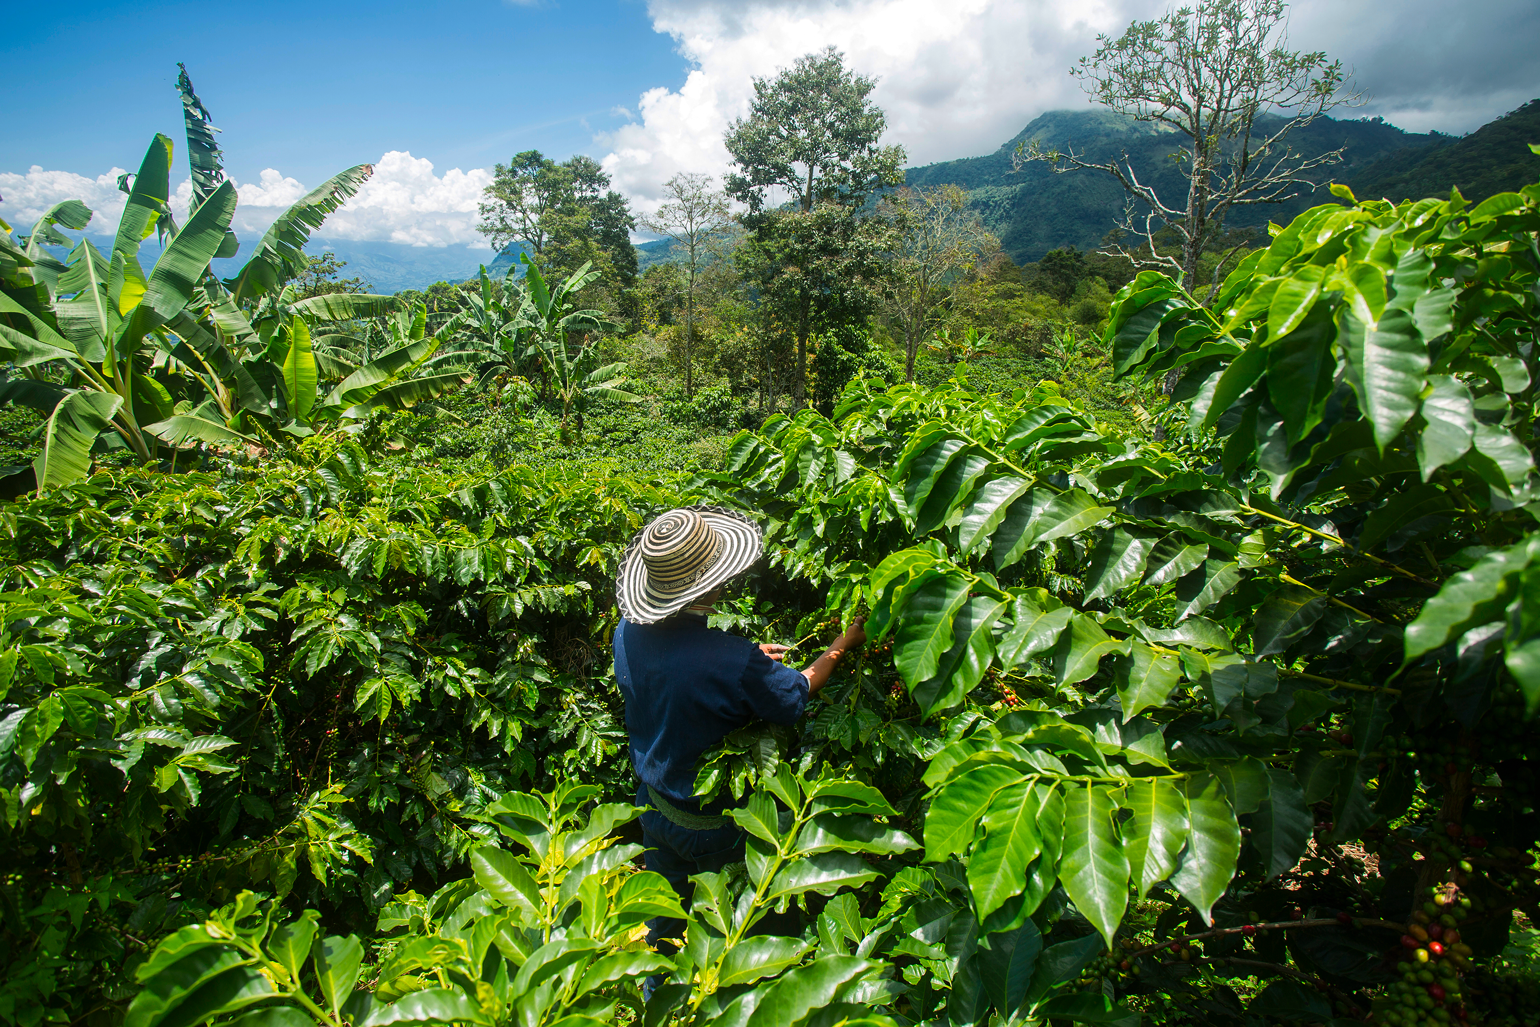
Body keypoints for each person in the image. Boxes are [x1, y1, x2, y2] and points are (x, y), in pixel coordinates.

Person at [611, 505, 866, 978]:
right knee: (739, 934)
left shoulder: (626, 631)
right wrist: (841, 645)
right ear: (711, 583)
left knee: (662, 926)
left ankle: (656, 996)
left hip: (653, 808)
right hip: (712, 827)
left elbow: (677, 680)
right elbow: (796, 692)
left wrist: (744, 666)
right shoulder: (731, 660)